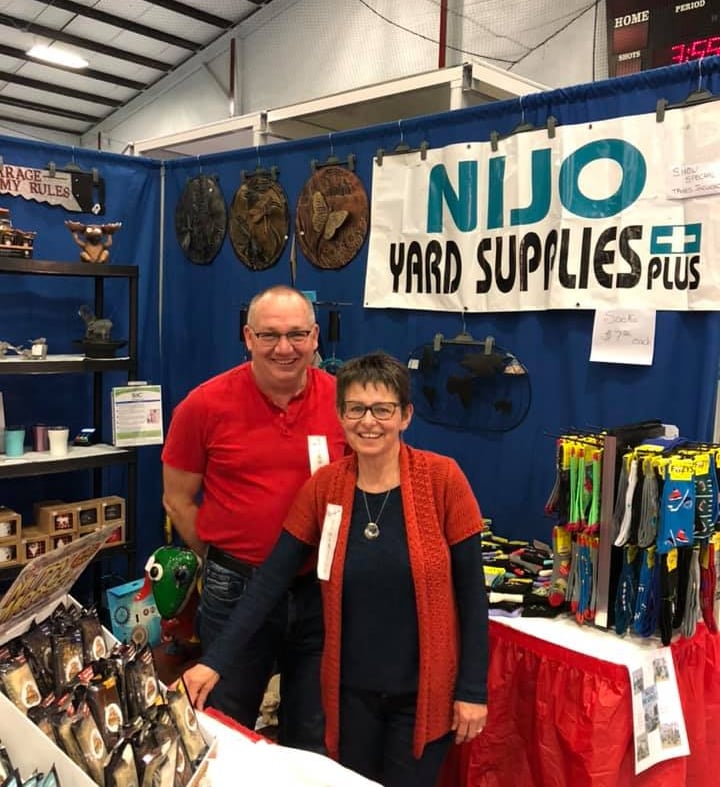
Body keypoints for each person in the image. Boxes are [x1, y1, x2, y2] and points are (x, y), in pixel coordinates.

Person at [182, 351, 489, 787]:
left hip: (421, 697)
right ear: (341, 416)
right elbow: (270, 580)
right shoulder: (325, 487)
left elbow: (473, 596)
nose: (369, 422)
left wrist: (472, 691)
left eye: (382, 409)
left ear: (405, 415)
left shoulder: (443, 480)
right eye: (356, 409)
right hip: (349, 699)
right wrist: (213, 662)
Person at [161, 284, 347, 752]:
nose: (284, 348)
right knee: (227, 725)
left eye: (297, 334)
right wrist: (222, 560)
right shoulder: (203, 405)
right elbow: (178, 501)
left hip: (318, 591)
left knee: (312, 731)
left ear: (315, 337)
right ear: (248, 337)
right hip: (236, 590)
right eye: (269, 335)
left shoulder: (344, 402)